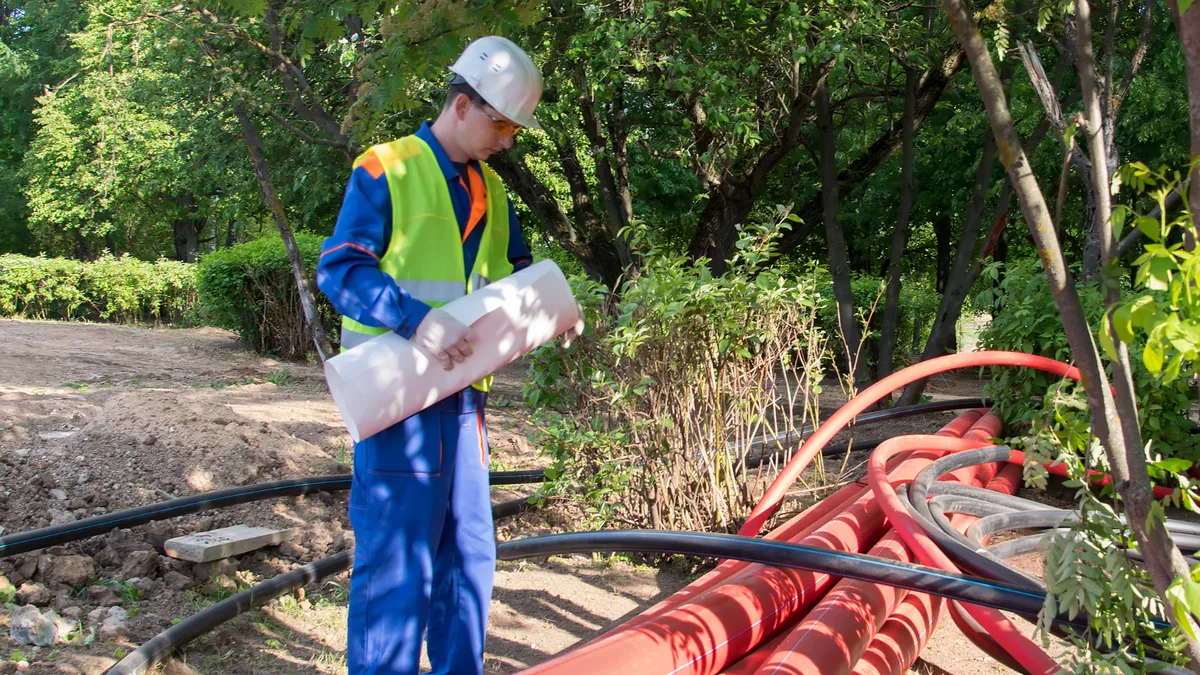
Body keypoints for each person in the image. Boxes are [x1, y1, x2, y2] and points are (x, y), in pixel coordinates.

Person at [317, 36, 574, 675]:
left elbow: (518, 273)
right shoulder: (387, 168)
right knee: (399, 561)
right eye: (502, 124)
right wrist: (416, 321)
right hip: (396, 403)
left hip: (464, 407)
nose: (508, 141)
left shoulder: (494, 194)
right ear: (463, 105)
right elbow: (341, 270)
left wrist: (553, 312)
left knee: (467, 554)